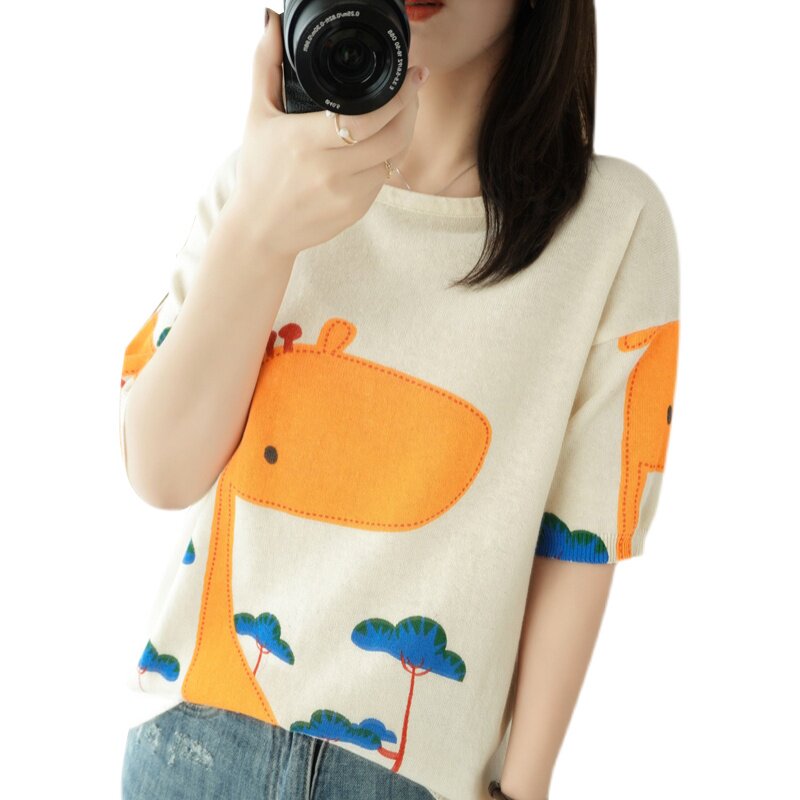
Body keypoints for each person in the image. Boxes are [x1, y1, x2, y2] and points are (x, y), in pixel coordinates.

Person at [118, 2, 680, 799]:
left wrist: (524, 787)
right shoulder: (264, 183)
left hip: (416, 779)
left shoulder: (612, 225)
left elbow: (580, 537)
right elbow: (162, 472)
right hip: (195, 746)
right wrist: (258, 229)